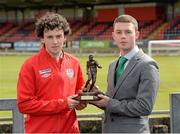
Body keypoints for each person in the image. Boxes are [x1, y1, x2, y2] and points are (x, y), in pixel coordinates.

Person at [17, 12, 86, 133]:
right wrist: (63, 104)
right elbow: (24, 105)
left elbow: (79, 95)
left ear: (65, 37)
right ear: (42, 38)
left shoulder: (74, 62)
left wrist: (83, 101)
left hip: (70, 130)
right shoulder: (30, 65)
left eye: (59, 36)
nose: (55, 41)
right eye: (50, 37)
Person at [90, 14, 160, 133]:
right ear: (113, 36)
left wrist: (109, 103)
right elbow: (114, 99)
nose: (123, 36)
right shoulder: (113, 65)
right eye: (119, 32)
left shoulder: (147, 65)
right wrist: (97, 96)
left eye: (128, 32)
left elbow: (144, 107)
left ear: (137, 34)